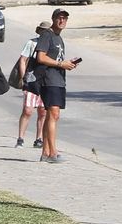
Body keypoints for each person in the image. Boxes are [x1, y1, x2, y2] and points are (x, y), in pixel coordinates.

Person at [32, 9, 80, 164]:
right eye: (59, 18)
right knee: (54, 114)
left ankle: (45, 153)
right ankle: (53, 152)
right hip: (49, 80)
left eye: (65, 18)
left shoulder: (58, 37)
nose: (62, 21)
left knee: (52, 116)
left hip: (58, 79)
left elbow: (55, 58)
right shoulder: (47, 35)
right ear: (53, 19)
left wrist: (67, 64)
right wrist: (60, 64)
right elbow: (40, 57)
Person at [15, 20, 51, 149]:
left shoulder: (50, 44)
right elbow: (23, 60)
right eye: (43, 31)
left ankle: (39, 138)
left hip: (45, 82)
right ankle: (20, 138)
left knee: (43, 111)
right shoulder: (31, 43)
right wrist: (23, 77)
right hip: (32, 80)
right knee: (28, 110)